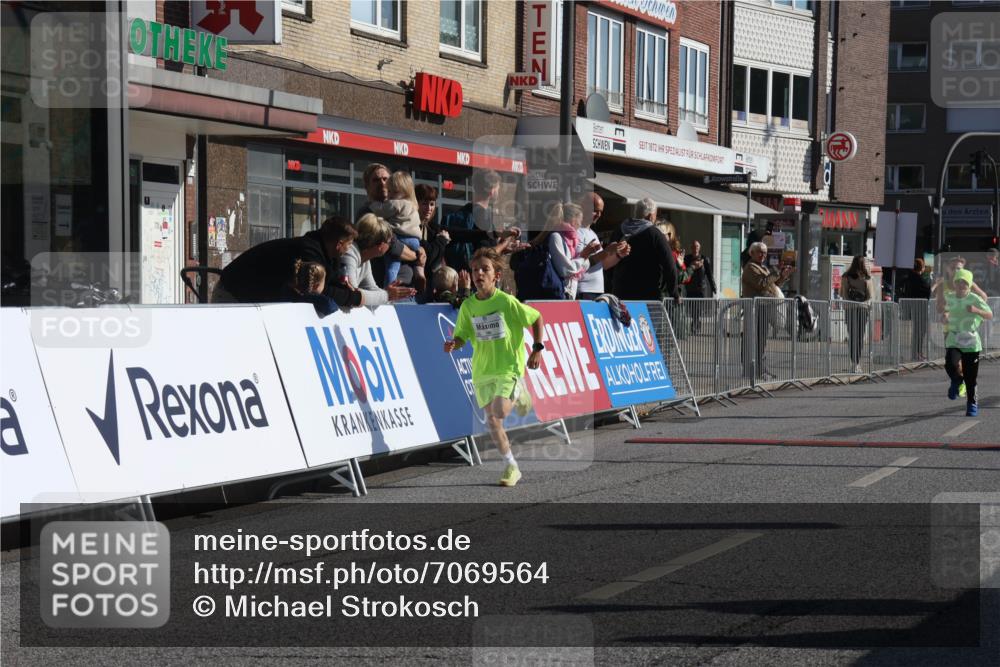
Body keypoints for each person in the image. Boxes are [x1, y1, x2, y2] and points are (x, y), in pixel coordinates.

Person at [444, 248, 544, 488]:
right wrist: (454, 344)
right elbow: (463, 335)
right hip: (482, 371)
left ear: (496, 275)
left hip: (508, 367)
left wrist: (537, 348)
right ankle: (511, 466)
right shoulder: (468, 306)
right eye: (475, 270)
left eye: (485, 269)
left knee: (499, 411)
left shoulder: (506, 302)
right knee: (492, 422)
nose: (479, 274)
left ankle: (518, 392)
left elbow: (537, 317)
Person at [214, 216, 362, 308]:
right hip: (233, 293)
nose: (349, 249)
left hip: (248, 294)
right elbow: (318, 290)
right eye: (349, 244)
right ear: (339, 244)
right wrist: (355, 298)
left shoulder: (324, 254)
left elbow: (329, 283)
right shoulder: (309, 252)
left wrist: (343, 288)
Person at [443, 169, 522, 272]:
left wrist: (504, 248)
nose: (498, 191)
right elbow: (487, 255)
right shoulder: (484, 216)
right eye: (498, 188)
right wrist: (505, 242)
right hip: (477, 278)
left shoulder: (462, 213)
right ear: (492, 191)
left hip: (459, 274)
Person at [356, 163, 423, 283]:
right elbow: (390, 244)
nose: (382, 183)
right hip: (380, 283)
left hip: (407, 285)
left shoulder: (401, 206)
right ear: (367, 186)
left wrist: (421, 250)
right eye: (376, 180)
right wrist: (416, 255)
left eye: (385, 179)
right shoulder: (367, 212)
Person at [943, 268, 993, 416]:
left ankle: (972, 404)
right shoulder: (950, 297)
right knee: (950, 364)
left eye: (964, 282)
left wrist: (976, 310)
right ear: (954, 284)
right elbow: (946, 311)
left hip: (971, 341)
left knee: (971, 378)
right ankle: (957, 381)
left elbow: (989, 315)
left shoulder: (975, 299)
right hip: (954, 338)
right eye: (958, 282)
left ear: (969, 285)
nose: (961, 285)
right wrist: (945, 316)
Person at [741, 241, 794, 378]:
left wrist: (783, 276)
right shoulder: (751, 268)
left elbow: (772, 285)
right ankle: (753, 370)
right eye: (760, 252)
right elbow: (762, 283)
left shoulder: (762, 267)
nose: (763, 255)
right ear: (752, 253)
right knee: (754, 339)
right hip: (754, 308)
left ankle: (762, 369)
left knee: (762, 339)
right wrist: (776, 271)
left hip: (763, 307)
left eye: (765, 252)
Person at [610, 197, 679, 302]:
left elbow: (608, 259)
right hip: (647, 294)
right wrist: (674, 293)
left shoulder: (619, 230)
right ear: (651, 216)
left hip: (620, 292)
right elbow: (669, 265)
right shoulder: (655, 234)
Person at [339, 214, 417, 306]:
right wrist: (387, 295)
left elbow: (372, 289)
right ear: (381, 246)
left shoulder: (365, 260)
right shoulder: (349, 254)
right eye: (389, 242)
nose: (390, 245)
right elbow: (353, 295)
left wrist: (390, 294)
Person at [576, 192, 629, 300]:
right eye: (595, 210)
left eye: (601, 212)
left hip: (596, 290)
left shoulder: (592, 233)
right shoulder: (576, 233)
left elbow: (603, 265)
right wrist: (606, 252)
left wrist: (619, 255)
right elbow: (580, 264)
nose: (599, 215)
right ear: (584, 208)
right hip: (584, 290)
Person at [547, 203, 601, 299]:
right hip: (559, 292)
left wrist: (586, 255)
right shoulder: (556, 237)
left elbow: (576, 266)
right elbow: (566, 269)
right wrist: (584, 255)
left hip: (569, 293)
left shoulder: (571, 239)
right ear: (573, 220)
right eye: (580, 220)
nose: (580, 224)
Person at [840, 255, 873, 374]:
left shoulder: (845, 277)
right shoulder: (866, 278)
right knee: (859, 337)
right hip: (862, 309)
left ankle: (852, 363)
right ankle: (857, 363)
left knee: (852, 336)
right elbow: (870, 295)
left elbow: (842, 293)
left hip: (850, 309)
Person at [901, 258, 932, 361]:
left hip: (913, 308)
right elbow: (928, 292)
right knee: (920, 332)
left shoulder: (909, 277)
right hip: (919, 308)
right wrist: (935, 285)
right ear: (921, 268)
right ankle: (917, 354)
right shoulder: (918, 279)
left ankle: (917, 353)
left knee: (917, 332)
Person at [684, 240, 717, 334]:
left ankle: (696, 324)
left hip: (701, 288)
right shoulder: (687, 259)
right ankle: (694, 323)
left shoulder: (704, 259)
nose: (695, 248)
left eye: (697, 246)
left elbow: (709, 274)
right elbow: (684, 272)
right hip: (690, 288)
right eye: (694, 247)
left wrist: (713, 286)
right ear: (691, 248)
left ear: (699, 248)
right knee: (691, 308)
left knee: (698, 308)